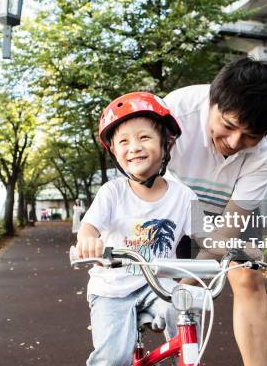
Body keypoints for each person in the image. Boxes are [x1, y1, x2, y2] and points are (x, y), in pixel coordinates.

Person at [163, 57, 267, 366]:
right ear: (212, 102)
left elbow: (230, 226)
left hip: (230, 203)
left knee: (248, 277)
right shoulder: (173, 113)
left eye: (250, 136)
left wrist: (191, 280)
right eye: (229, 126)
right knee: (166, 288)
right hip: (178, 199)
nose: (235, 142)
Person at [76, 92, 198, 366]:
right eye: (123, 141)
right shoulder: (112, 192)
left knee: (188, 306)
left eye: (144, 137)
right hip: (112, 288)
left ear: (166, 144)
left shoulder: (186, 195)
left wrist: (228, 249)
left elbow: (205, 238)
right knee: (113, 358)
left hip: (159, 285)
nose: (134, 147)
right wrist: (88, 241)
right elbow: (89, 228)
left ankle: (189, 357)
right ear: (115, 152)